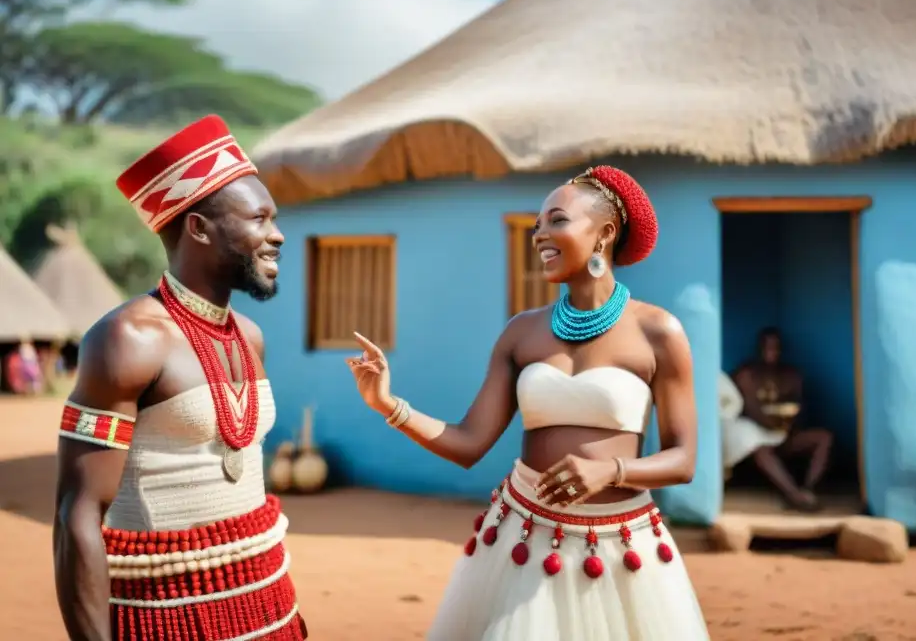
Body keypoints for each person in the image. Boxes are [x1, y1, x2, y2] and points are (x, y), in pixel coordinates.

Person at [348, 166, 709, 640]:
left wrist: (610, 471)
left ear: (604, 233)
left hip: (620, 544)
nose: (539, 235)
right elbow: (469, 442)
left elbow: (683, 462)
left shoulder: (658, 332)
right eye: (537, 225)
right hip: (525, 538)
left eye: (556, 220)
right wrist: (388, 404)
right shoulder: (521, 332)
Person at [52, 115, 307, 641]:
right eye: (259, 219)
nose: (278, 235)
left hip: (269, 603)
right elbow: (77, 516)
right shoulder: (128, 340)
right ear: (199, 227)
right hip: (164, 617)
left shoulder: (250, 336)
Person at [729, 327, 834, 511]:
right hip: (757, 437)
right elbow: (748, 410)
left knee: (823, 437)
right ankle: (793, 495)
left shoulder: (791, 376)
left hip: (785, 434)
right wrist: (770, 421)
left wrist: (789, 420)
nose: (772, 352)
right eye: (767, 347)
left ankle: (809, 488)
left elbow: (798, 408)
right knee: (761, 451)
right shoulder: (747, 375)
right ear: (759, 349)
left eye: (775, 347)